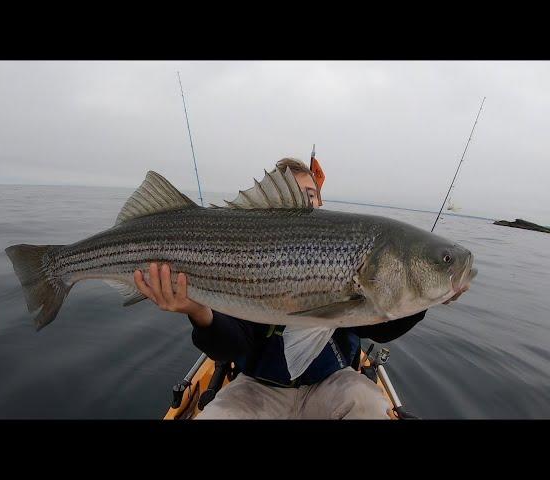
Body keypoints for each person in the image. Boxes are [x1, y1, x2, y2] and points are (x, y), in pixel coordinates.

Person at [134, 157, 467, 419]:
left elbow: (380, 328)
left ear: (320, 200)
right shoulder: (246, 250)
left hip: (333, 384)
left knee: (369, 407)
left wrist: (425, 296)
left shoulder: (353, 255)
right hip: (257, 389)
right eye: (292, 196)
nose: (302, 205)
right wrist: (196, 311)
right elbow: (229, 348)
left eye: (309, 196)